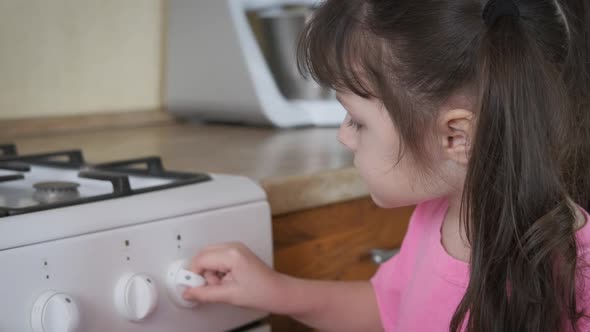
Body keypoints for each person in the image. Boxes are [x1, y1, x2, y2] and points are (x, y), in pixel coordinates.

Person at [183, 0, 590, 331]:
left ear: (456, 137)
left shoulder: (579, 270)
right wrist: (274, 291)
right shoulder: (437, 218)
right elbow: (387, 309)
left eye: (358, 121)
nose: (344, 136)